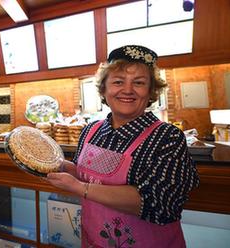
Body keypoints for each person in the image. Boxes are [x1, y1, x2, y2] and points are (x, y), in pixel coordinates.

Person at [47, 45, 199, 248]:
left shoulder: (167, 137)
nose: (127, 90)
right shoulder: (91, 130)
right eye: (118, 82)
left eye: (139, 83)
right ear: (104, 88)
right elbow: (87, 174)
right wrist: (63, 167)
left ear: (151, 91)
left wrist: (79, 188)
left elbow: (161, 205)